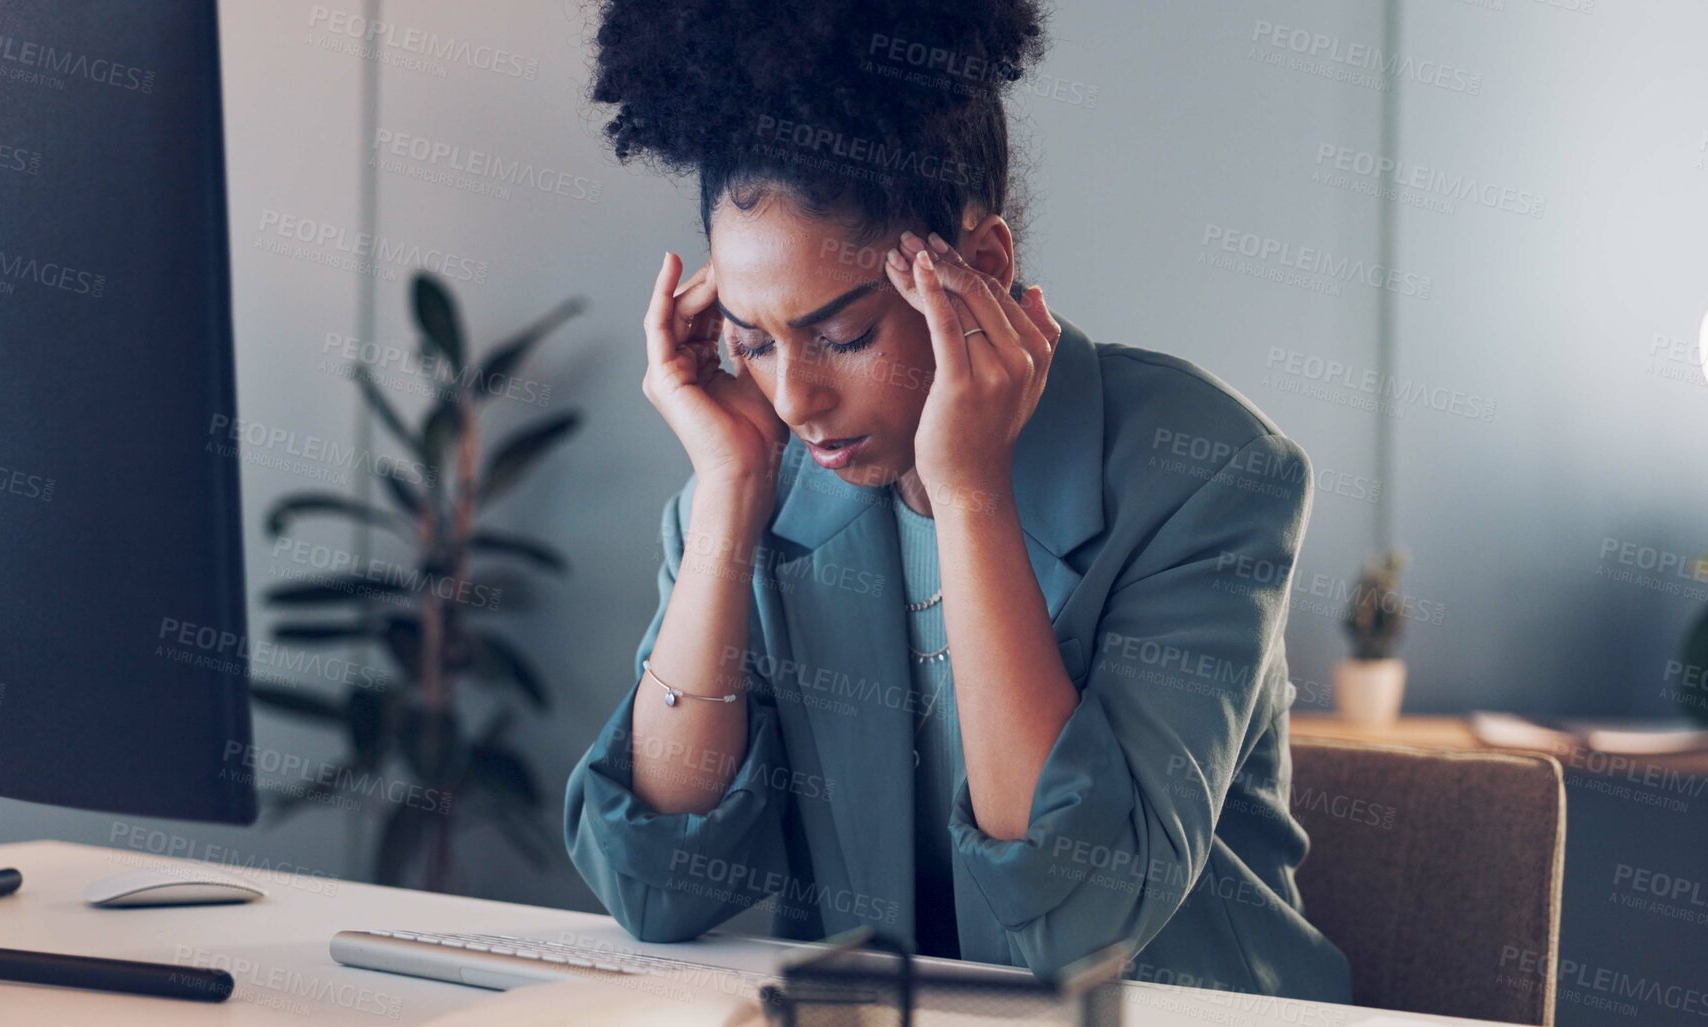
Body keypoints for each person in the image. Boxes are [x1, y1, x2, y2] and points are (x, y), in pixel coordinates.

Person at [563, 0, 1351, 1000]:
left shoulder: (1207, 475)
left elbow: (1076, 928)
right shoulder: (760, 480)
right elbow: (654, 886)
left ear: (976, 269)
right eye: (754, 342)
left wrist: (970, 494)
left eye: (843, 335)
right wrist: (725, 501)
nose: (795, 398)